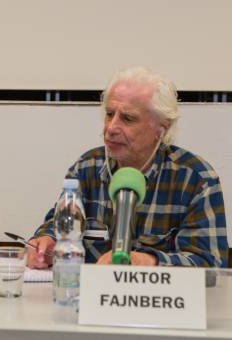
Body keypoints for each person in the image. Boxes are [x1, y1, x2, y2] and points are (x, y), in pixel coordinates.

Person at [28, 67, 228, 268]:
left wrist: (149, 261)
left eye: (128, 118)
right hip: (94, 297)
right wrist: (46, 243)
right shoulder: (86, 168)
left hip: (159, 298)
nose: (111, 128)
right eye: (109, 114)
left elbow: (210, 265)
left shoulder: (196, 179)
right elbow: (58, 228)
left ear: (161, 128)